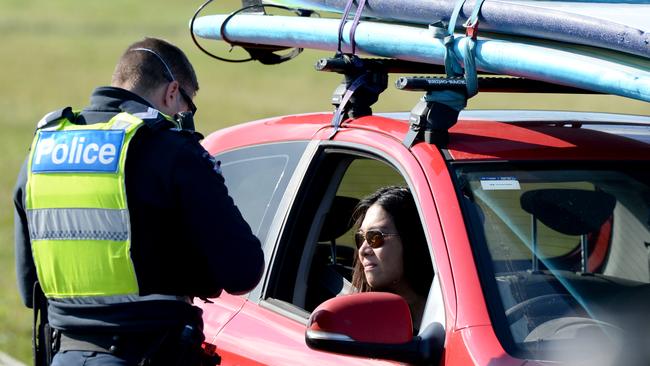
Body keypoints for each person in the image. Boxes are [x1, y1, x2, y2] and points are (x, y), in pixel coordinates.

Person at [13, 37, 264, 366]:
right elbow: (242, 271)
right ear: (172, 92)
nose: (183, 118)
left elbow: (29, 285)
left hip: (66, 354)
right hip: (151, 351)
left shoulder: (42, 150)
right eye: (186, 108)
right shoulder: (172, 151)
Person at [351, 186, 433, 328]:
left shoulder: (457, 310)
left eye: (375, 237)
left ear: (411, 240)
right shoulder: (355, 320)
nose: (363, 250)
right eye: (360, 238)